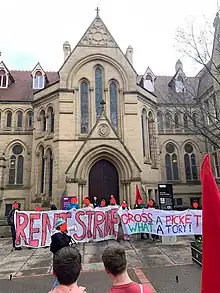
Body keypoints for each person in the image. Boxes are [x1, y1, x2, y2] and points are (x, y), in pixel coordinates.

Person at [50, 218, 77, 289]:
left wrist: (66, 234)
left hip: (63, 258)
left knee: (63, 278)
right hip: (60, 260)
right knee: (61, 278)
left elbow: (67, 240)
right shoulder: (56, 236)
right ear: (60, 227)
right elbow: (64, 243)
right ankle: (54, 290)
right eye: (64, 225)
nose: (66, 226)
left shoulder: (61, 234)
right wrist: (67, 235)